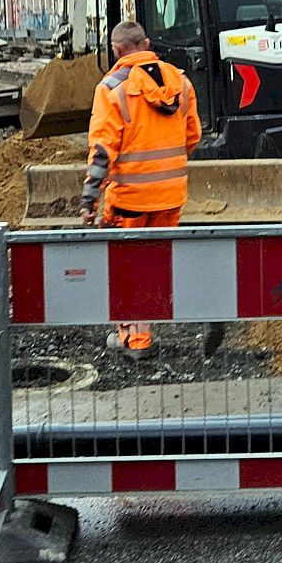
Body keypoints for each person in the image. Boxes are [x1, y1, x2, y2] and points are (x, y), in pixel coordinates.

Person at [83, 21, 201, 358]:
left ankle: (133, 340)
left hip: (129, 201)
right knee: (154, 264)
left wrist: (89, 199)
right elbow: (192, 137)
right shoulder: (180, 81)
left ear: (117, 51)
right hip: (171, 196)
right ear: (146, 43)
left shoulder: (111, 89)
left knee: (124, 268)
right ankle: (144, 333)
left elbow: (103, 152)